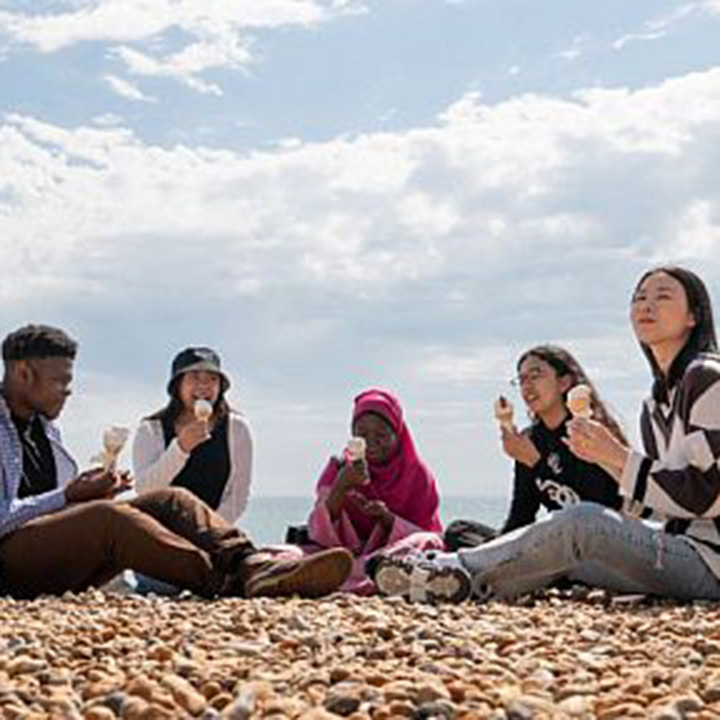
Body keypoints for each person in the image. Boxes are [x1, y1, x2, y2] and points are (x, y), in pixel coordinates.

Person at [374, 265, 720, 604]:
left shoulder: (706, 378)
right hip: (673, 546)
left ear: (694, 316)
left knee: (582, 524)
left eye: (663, 296)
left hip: (708, 561)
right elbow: (651, 504)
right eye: (639, 297)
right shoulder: (655, 403)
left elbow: (705, 496)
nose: (646, 305)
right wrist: (606, 461)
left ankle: (452, 568)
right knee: (564, 554)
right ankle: (452, 585)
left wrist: (613, 457)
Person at [0, 324, 352, 600]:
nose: (68, 390)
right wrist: (69, 496)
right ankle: (229, 582)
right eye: (60, 380)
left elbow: (57, 515)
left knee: (171, 499)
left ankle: (252, 562)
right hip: (10, 565)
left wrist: (88, 493)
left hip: (47, 555)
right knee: (112, 518)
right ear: (23, 373)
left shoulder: (45, 430)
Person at [444, 345, 625, 550]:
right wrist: (496, 546)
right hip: (553, 544)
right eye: (522, 380)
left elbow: (592, 513)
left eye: (536, 375)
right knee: (458, 531)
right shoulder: (530, 440)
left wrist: (536, 463)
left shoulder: (588, 430)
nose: (527, 386)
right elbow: (521, 517)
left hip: (598, 544)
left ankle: (493, 567)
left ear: (564, 382)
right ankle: (492, 565)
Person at [301, 388, 444, 594]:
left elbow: (425, 530)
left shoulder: (417, 474)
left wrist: (386, 518)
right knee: (283, 553)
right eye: (362, 434)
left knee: (429, 543)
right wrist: (341, 487)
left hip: (392, 554)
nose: (371, 443)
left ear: (398, 434)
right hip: (342, 556)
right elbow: (320, 534)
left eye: (382, 435)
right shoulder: (339, 467)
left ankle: (367, 573)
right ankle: (367, 577)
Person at [133, 347, 251, 525]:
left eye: (212, 379)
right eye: (194, 377)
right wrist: (181, 448)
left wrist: (210, 529)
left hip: (216, 532)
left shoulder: (236, 428)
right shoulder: (151, 429)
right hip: (161, 533)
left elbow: (238, 497)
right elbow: (145, 490)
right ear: (177, 385)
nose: (204, 386)